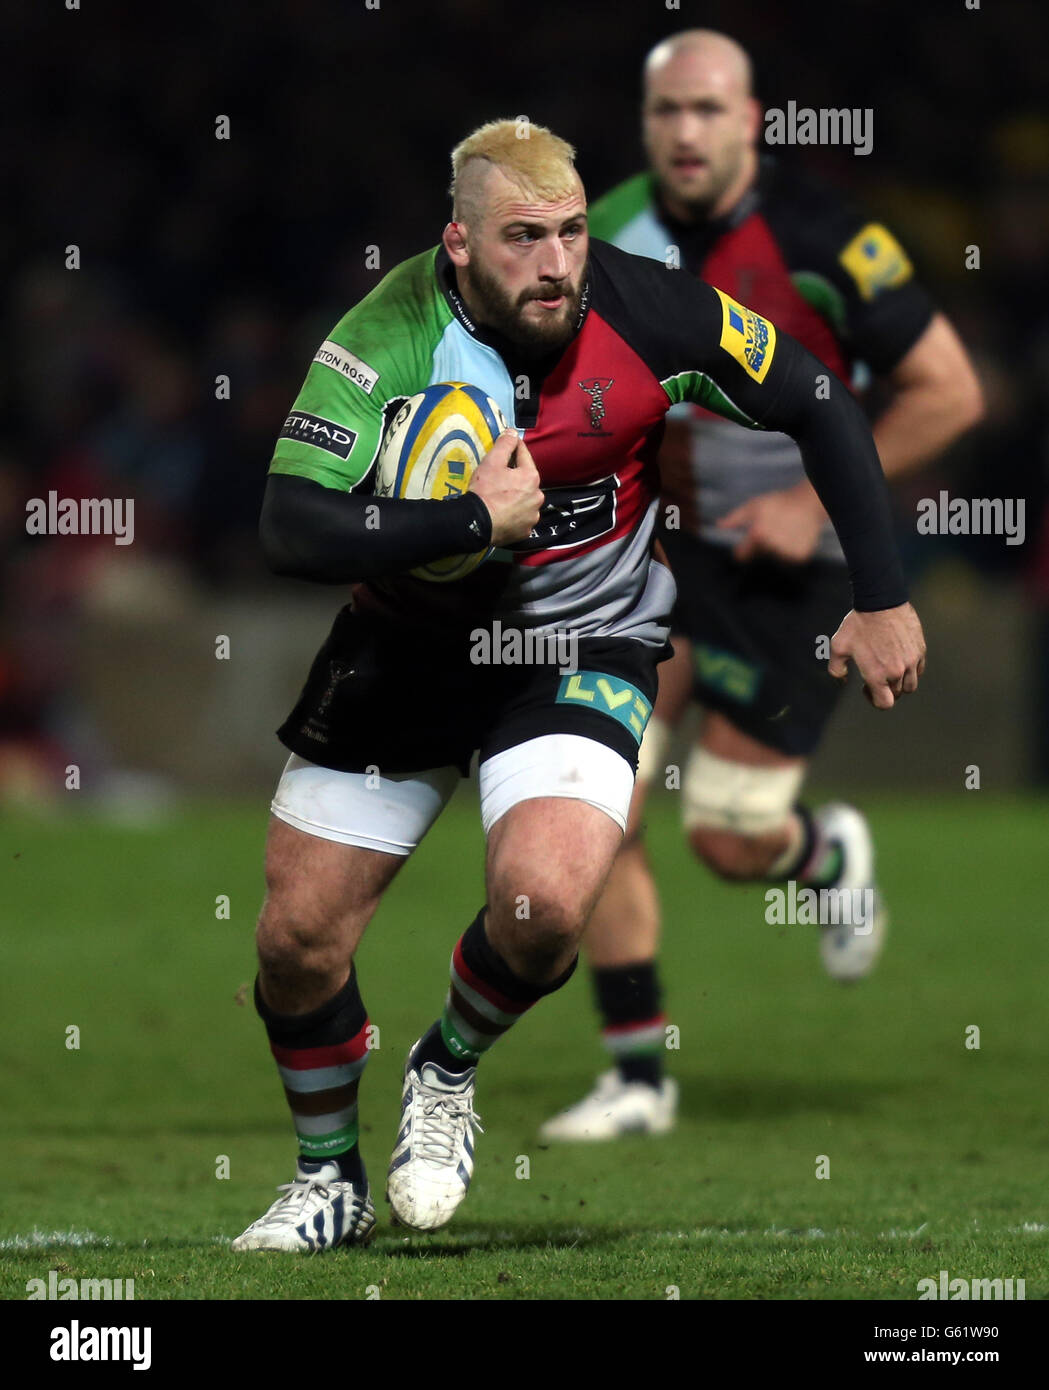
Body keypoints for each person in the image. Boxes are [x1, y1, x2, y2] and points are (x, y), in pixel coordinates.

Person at [230, 116, 926, 1252]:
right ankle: (327, 1181)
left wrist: (881, 594)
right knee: (294, 940)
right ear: (457, 243)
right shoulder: (384, 332)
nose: (556, 262)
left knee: (545, 907)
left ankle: (444, 1070)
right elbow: (289, 523)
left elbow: (811, 397)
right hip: (402, 653)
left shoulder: (650, 308)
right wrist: (466, 520)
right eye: (521, 238)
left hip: (580, 646)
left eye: (567, 232)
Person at [538, 30, 982, 1144]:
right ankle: (636, 1075)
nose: (684, 133)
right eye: (664, 113)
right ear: (644, 127)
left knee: (729, 837)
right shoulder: (604, 230)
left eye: (706, 110)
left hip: (806, 566)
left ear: (750, 120)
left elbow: (949, 392)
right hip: (666, 554)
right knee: (597, 802)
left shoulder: (829, 237)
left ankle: (822, 853)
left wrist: (809, 504)